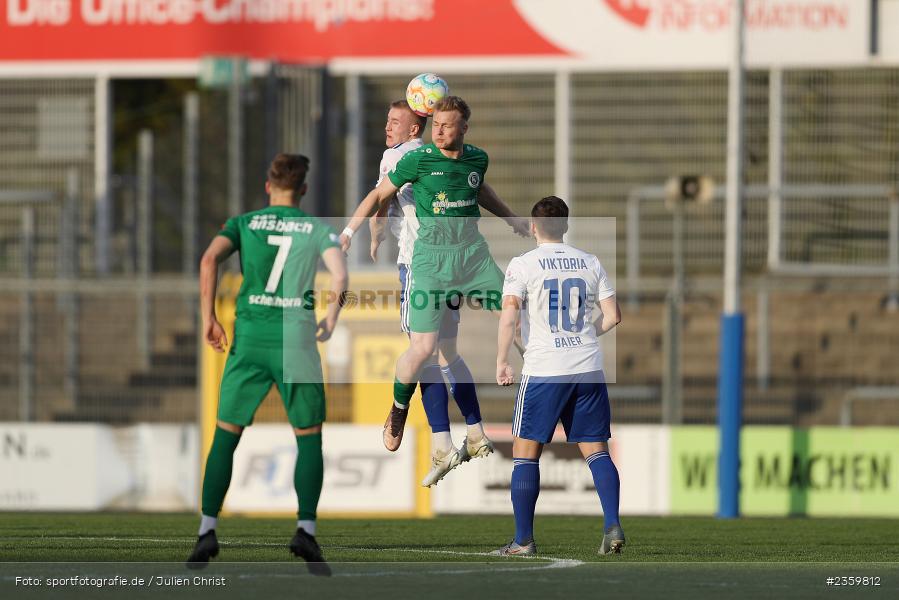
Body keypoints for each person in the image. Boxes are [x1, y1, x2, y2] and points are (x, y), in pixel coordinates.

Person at [339, 96, 529, 477]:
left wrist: (512, 218)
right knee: (425, 350)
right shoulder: (413, 159)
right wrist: (351, 232)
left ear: (463, 128)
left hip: (470, 255)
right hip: (427, 261)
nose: (439, 130)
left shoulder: (476, 158)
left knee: (512, 315)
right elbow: (380, 195)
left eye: (447, 124)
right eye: (435, 124)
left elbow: (479, 188)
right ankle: (401, 409)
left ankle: (548, 380)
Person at [186, 154, 348, 576]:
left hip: (251, 338)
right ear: (304, 190)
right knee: (308, 437)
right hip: (295, 338)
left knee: (226, 435)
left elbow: (208, 260)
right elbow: (340, 275)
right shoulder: (316, 228)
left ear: (267, 185)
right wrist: (329, 318)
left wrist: (208, 318)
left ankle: (207, 530)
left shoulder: (243, 222)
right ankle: (305, 530)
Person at [493, 196, 625, 556]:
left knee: (525, 452)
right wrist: (582, 336)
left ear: (533, 227)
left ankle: (523, 541)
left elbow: (509, 317)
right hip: (587, 368)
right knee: (597, 451)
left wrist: (502, 360)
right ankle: (612, 525)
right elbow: (613, 316)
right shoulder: (589, 261)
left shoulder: (523, 264)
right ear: (566, 226)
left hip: (544, 370)